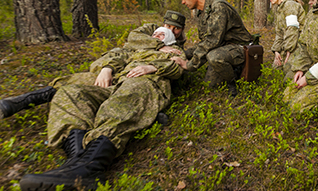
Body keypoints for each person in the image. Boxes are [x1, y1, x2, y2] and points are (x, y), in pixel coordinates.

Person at [18, 28, 186, 191]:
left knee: (123, 100)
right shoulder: (136, 49)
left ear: (169, 39)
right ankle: (76, 159)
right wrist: (107, 68)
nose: (156, 36)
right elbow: (114, 57)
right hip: (116, 83)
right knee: (69, 93)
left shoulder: (173, 51)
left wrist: (151, 67)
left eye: (161, 35)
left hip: (145, 83)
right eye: (155, 34)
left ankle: (92, 165)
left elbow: (178, 69)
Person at [0, 11, 187, 119]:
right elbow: (131, 41)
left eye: (175, 28)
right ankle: (25, 100)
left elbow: (180, 66)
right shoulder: (152, 31)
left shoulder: (178, 48)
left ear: (181, 30)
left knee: (125, 95)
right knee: (79, 80)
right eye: (167, 26)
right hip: (121, 63)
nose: (170, 30)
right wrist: (108, 67)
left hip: (137, 76)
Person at [171, 0, 253, 95]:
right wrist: (184, 54)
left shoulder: (218, 8)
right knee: (209, 86)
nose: (183, 2)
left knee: (214, 57)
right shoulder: (203, 11)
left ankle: (233, 81)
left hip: (241, 49)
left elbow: (212, 41)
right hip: (223, 47)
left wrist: (190, 65)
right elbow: (205, 41)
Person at [263, 0, 306, 78]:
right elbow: (279, 33)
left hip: (299, 45)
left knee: (288, 74)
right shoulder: (280, 9)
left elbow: (292, 29)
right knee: (275, 71)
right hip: (288, 45)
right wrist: (276, 51)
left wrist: (288, 52)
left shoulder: (289, 6)